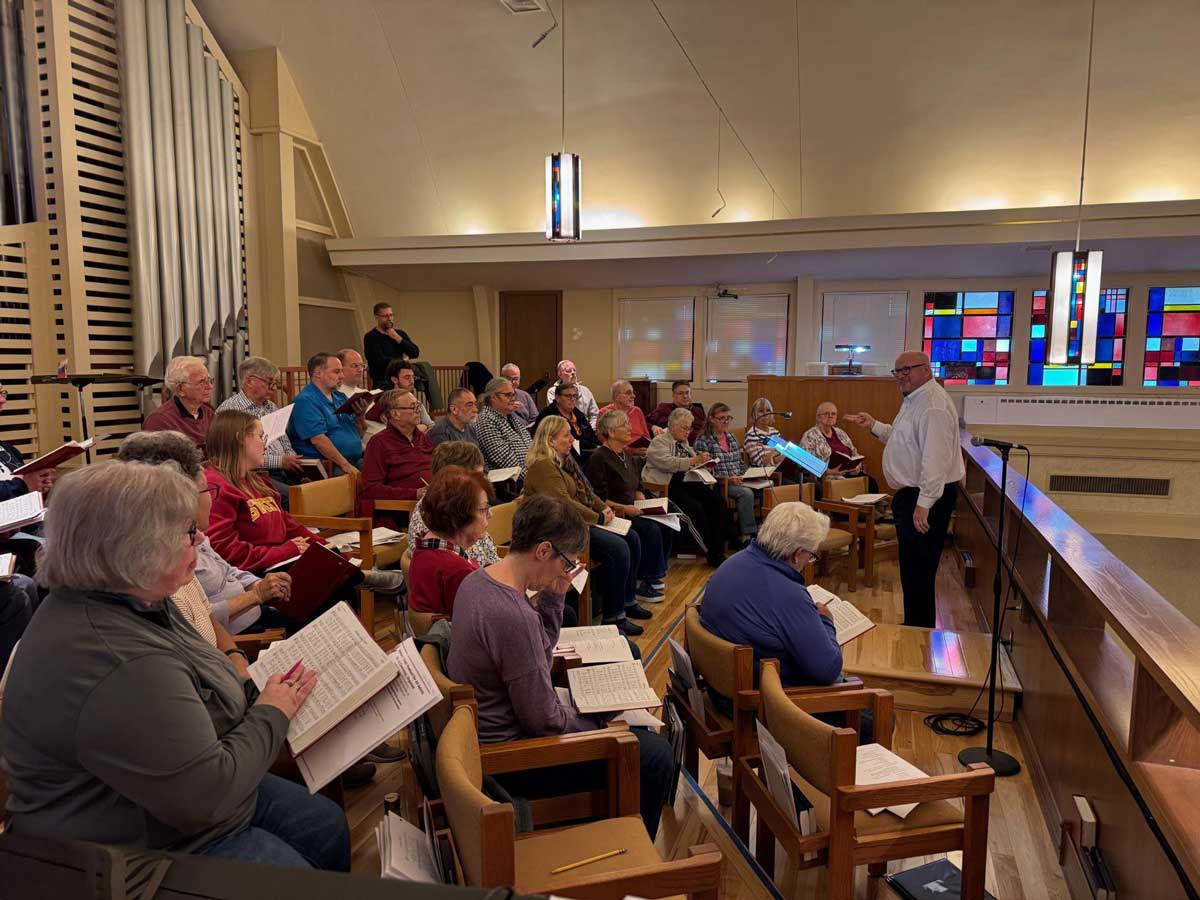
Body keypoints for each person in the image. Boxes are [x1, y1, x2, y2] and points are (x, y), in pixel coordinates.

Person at [0, 461, 350, 869]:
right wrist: (272, 711)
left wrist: (261, 695)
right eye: (187, 532)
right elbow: (208, 797)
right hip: (133, 847)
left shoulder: (136, 598)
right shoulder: (119, 659)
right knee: (296, 874)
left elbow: (206, 685)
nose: (200, 538)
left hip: (184, 799)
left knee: (325, 825)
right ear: (136, 548)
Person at [447, 494, 673, 839]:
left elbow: (538, 653)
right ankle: (629, 847)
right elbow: (544, 722)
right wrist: (600, 720)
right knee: (654, 755)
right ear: (543, 551)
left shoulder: (479, 580)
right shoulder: (512, 614)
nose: (566, 570)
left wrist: (554, 595)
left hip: (498, 737)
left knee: (637, 732)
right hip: (515, 761)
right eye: (566, 562)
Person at [700, 501, 874, 742]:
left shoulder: (732, 563)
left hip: (720, 688)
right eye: (811, 556)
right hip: (758, 705)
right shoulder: (787, 593)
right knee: (874, 718)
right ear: (797, 554)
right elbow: (826, 670)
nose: (808, 562)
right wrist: (826, 622)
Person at [205, 410, 404, 594]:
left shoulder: (257, 482)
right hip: (254, 576)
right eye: (261, 436)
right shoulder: (216, 487)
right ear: (240, 439)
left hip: (280, 559)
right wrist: (285, 551)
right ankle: (362, 578)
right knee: (330, 583)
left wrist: (329, 549)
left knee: (333, 571)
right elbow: (225, 552)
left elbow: (290, 526)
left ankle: (358, 576)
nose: (265, 444)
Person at [117, 430, 295, 636]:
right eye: (207, 491)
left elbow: (229, 570)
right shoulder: (164, 556)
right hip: (246, 635)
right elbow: (194, 623)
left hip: (256, 614)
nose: (211, 498)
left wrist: (260, 585)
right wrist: (256, 595)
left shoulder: (192, 534)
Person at [845, 350, 965, 628]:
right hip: (914, 496)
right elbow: (903, 440)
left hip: (925, 498)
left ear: (927, 370)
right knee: (912, 570)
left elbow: (934, 460)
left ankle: (920, 632)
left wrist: (924, 504)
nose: (901, 376)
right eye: (897, 371)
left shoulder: (932, 405)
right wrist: (874, 425)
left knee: (919, 570)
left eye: (907, 370)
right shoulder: (915, 399)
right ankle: (915, 626)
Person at [524, 416, 655, 636]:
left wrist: (604, 508)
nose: (571, 439)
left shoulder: (564, 462)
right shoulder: (543, 466)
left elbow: (587, 492)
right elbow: (563, 502)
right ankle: (614, 616)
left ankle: (627, 600)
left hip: (574, 523)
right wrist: (598, 518)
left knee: (631, 537)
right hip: (557, 531)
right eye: (566, 435)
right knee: (618, 548)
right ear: (550, 440)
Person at [585, 409, 669, 596]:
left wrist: (642, 500)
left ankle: (652, 575)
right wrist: (626, 508)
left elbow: (637, 485)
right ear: (611, 432)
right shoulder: (598, 458)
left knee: (663, 523)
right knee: (648, 529)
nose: (630, 428)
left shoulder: (627, 455)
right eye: (625, 425)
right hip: (615, 512)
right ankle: (642, 581)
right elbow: (597, 498)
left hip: (633, 508)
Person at [643, 407, 726, 567]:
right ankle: (712, 554)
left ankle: (719, 548)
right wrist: (693, 461)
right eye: (684, 428)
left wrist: (703, 463)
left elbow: (691, 462)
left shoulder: (684, 443)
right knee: (695, 509)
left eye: (689, 428)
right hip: (666, 486)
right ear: (673, 426)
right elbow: (666, 462)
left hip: (686, 482)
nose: (688, 432)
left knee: (718, 502)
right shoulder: (659, 441)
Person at [407, 466, 494, 618]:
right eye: (484, 509)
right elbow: (483, 621)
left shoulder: (425, 549)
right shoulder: (458, 571)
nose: (490, 514)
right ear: (460, 515)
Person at [217, 357, 305, 507]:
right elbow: (238, 455)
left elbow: (283, 439)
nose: (274, 388)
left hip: (284, 469)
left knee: (317, 489)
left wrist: (291, 457)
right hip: (253, 473)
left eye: (275, 383)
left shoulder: (271, 406)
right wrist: (280, 461)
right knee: (296, 497)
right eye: (270, 382)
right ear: (250, 381)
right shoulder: (230, 411)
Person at [408, 442, 501, 568]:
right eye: (477, 477)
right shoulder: (440, 515)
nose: (483, 482)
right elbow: (472, 570)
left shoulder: (461, 506)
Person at [287, 352, 366, 476]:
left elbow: (359, 435)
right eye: (337, 372)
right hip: (329, 464)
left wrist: (360, 416)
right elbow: (318, 440)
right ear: (318, 374)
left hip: (354, 459)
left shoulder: (340, 397)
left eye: (342, 371)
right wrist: (345, 465)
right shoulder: (305, 401)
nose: (342, 376)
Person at [361, 390, 434, 523]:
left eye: (418, 405)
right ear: (395, 414)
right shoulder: (379, 443)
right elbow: (371, 488)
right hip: (404, 509)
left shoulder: (421, 437)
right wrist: (414, 494)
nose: (418, 410)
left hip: (433, 500)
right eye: (413, 407)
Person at [695, 402, 758, 549]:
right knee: (746, 493)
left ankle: (766, 534)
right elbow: (705, 470)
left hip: (739, 479)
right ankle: (748, 535)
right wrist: (729, 480)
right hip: (721, 483)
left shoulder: (731, 437)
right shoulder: (704, 440)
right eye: (721, 418)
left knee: (766, 486)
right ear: (711, 419)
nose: (726, 421)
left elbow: (739, 463)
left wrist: (751, 474)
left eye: (728, 418)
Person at [142, 355, 216, 453]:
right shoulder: (159, 420)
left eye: (209, 380)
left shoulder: (210, 412)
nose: (210, 387)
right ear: (180, 389)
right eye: (202, 382)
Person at [799, 401, 879, 491]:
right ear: (818, 417)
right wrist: (829, 472)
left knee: (871, 483)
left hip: (849, 473)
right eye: (826, 413)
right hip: (828, 477)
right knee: (846, 486)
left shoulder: (840, 433)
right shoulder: (810, 435)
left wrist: (857, 466)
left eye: (833, 414)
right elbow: (805, 462)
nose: (830, 416)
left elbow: (854, 453)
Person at [0, 383, 54, 501]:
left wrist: (39, 483)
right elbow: (22, 485)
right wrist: (23, 485)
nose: (3, 400)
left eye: (2, 393)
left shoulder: (9, 450)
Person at [474, 376, 532, 472]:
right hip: (509, 478)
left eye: (513, 395)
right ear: (493, 397)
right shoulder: (485, 421)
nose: (513, 399)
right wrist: (533, 477)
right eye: (508, 395)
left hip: (530, 471)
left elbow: (531, 447)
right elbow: (505, 461)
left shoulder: (510, 417)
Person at [533, 380, 600, 459]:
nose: (572, 399)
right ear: (557, 398)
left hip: (586, 451)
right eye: (568, 396)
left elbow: (591, 435)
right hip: (562, 455)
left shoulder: (577, 413)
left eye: (574, 396)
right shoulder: (549, 415)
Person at [363, 301, 420, 390]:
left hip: (402, 383)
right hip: (382, 383)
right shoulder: (371, 337)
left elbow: (415, 352)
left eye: (391, 315)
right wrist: (402, 360)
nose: (389, 318)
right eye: (385, 316)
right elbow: (378, 361)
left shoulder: (400, 334)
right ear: (377, 317)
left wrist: (398, 338)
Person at [366, 359, 433, 430]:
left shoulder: (416, 402)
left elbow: (430, 425)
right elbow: (398, 431)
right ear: (394, 380)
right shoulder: (385, 402)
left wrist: (424, 426)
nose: (412, 381)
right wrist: (423, 427)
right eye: (407, 377)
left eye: (413, 377)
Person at [598, 379, 658, 453]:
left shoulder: (637, 411)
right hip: (621, 452)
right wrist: (632, 451)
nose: (633, 396)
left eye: (633, 393)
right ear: (616, 396)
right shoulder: (605, 413)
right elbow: (604, 440)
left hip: (643, 451)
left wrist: (649, 448)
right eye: (628, 393)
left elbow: (646, 436)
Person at [647, 380, 706, 444]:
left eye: (687, 393)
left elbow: (707, 429)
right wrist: (653, 427)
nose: (685, 396)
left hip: (698, 445)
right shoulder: (663, 409)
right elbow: (644, 423)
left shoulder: (698, 411)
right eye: (680, 393)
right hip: (671, 445)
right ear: (673, 395)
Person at [545, 359, 599, 427]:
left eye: (574, 370)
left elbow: (595, 415)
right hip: (563, 428)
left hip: (586, 428)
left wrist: (590, 429)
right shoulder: (552, 392)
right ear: (560, 374)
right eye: (568, 371)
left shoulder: (585, 391)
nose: (573, 373)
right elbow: (555, 415)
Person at [743, 397, 784, 466]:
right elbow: (762, 463)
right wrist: (776, 452)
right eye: (761, 411)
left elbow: (783, 451)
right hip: (764, 471)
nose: (765, 414)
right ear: (754, 414)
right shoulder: (751, 435)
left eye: (768, 410)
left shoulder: (774, 431)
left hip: (780, 467)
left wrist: (773, 454)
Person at [501, 362, 538, 427]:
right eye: (509, 378)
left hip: (526, 430)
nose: (512, 382)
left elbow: (535, 418)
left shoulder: (525, 395)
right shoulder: (497, 396)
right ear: (501, 378)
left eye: (516, 379)